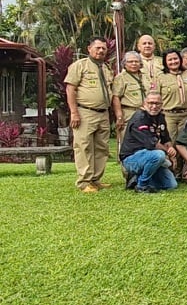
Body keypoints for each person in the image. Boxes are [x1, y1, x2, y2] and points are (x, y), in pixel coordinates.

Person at [65, 37, 113, 193]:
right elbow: (70, 89)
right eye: (97, 48)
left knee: (101, 147)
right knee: (84, 146)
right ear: (89, 49)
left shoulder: (106, 68)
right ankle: (84, 181)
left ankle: (95, 179)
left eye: (103, 48)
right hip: (85, 112)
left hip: (103, 113)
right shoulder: (80, 66)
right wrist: (74, 113)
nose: (101, 51)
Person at [119, 92, 178, 193]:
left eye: (157, 103)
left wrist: (172, 151)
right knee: (159, 155)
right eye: (151, 103)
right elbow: (152, 144)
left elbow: (166, 139)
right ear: (144, 103)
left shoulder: (160, 117)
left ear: (162, 104)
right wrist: (168, 151)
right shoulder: (139, 118)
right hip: (132, 158)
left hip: (149, 156)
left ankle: (136, 179)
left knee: (171, 185)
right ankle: (142, 185)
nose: (154, 106)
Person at [158, 48, 187, 143]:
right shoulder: (160, 77)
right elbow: (156, 97)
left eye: (175, 59)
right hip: (168, 115)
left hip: (186, 114)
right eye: (170, 60)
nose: (173, 62)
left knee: (185, 141)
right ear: (165, 62)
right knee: (170, 142)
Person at [112, 51, 147, 145]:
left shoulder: (146, 77)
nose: (134, 64)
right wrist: (119, 116)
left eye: (136, 61)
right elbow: (116, 97)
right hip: (129, 114)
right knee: (128, 143)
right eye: (130, 62)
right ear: (125, 64)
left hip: (146, 114)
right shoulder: (121, 78)